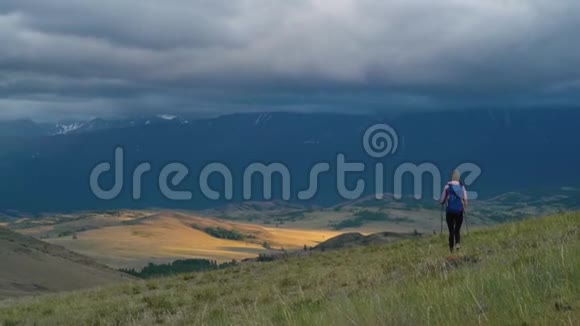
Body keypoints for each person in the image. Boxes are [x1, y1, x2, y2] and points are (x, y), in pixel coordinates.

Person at [440, 170, 467, 252]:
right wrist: (464, 205)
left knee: (451, 230)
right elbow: (465, 201)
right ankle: (458, 244)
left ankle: (451, 248)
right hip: (459, 211)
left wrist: (442, 202)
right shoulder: (462, 187)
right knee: (457, 229)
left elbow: (442, 200)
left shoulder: (447, 187)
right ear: (458, 177)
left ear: (452, 177)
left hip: (450, 211)